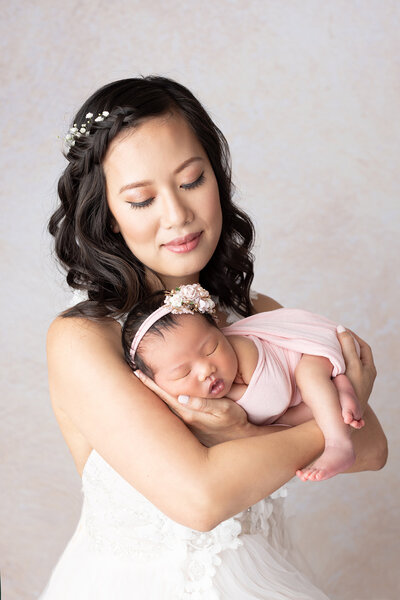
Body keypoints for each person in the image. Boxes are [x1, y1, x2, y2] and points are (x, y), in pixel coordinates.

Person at [40, 75, 387, 599]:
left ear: (216, 179)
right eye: (140, 200)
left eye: (191, 180)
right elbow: (200, 499)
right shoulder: (85, 338)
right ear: (108, 216)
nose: (178, 216)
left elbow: (375, 448)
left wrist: (240, 436)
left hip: (265, 571)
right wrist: (332, 418)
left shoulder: (255, 315)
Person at [122, 284, 364, 482]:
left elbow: (274, 400)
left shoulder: (242, 349)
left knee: (309, 376)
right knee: (301, 412)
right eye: (183, 373)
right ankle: (339, 389)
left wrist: (235, 397)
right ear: (156, 385)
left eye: (211, 349)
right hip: (300, 396)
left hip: (311, 353)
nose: (207, 369)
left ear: (220, 331)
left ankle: (338, 443)